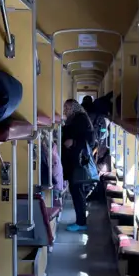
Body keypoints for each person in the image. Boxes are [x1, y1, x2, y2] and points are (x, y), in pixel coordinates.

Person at [61, 99, 95, 232]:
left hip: (78, 162)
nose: (65, 110)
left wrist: (73, 142)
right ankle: (80, 220)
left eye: (67, 108)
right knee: (76, 192)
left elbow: (90, 140)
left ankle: (81, 222)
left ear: (74, 108)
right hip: (74, 161)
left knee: (77, 192)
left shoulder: (80, 119)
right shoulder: (77, 118)